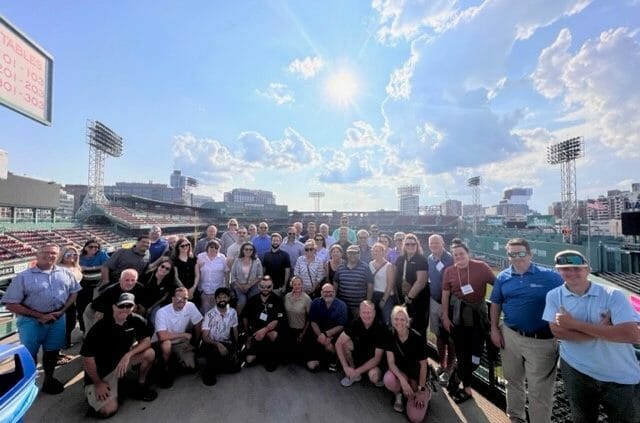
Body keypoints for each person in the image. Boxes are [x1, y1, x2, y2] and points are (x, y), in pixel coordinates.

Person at [542, 250, 640, 423]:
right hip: (576, 370)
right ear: (558, 271)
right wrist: (603, 332)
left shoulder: (613, 295)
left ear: (588, 269)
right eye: (565, 269)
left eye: (577, 268)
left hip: (619, 373)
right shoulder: (554, 296)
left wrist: (573, 324)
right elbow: (558, 332)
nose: (571, 272)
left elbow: (631, 334)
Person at [489, 238, 563, 423]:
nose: (517, 257)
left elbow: (571, 293)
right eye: (512, 254)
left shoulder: (550, 277)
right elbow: (496, 303)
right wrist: (494, 329)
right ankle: (516, 417)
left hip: (542, 340)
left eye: (521, 253)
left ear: (530, 254)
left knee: (540, 390)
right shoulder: (503, 277)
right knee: (512, 380)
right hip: (510, 335)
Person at [2, 243, 81, 394]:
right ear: (37, 255)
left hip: (57, 319)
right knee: (28, 354)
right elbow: (11, 304)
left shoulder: (66, 273)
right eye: (45, 252)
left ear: (58, 256)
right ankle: (26, 384)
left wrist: (62, 311)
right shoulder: (23, 277)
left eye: (53, 253)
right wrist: (40, 316)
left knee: (52, 351)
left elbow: (74, 292)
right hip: (31, 321)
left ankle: (48, 379)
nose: (50, 255)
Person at [81, 293, 157, 417]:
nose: (125, 309)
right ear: (113, 307)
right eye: (121, 306)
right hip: (102, 374)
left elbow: (146, 341)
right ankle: (98, 393)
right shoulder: (99, 327)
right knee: (107, 411)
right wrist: (98, 383)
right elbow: (87, 359)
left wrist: (128, 355)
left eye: (129, 306)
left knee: (150, 353)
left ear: (134, 307)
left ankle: (140, 384)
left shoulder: (136, 320)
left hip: (121, 364)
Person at [442, 240, 495, 403]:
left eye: (461, 253)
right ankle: (467, 388)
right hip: (458, 319)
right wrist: (445, 317)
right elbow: (445, 295)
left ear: (468, 253)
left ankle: (455, 378)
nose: (459, 257)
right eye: (455, 255)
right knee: (462, 355)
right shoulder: (450, 271)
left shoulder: (481, 267)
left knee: (475, 359)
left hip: (478, 319)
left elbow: (497, 286)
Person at [383, 306, 430, 423]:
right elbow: (391, 363)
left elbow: (424, 366)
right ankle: (399, 394)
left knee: (415, 418)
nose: (399, 322)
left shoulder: (418, 338)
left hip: (417, 377)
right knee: (388, 379)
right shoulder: (389, 334)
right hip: (402, 373)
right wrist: (403, 381)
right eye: (396, 319)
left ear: (407, 321)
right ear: (392, 320)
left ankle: (426, 393)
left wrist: (421, 390)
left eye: (402, 319)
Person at [153, 287, 203, 388]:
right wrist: (183, 335)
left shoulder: (190, 306)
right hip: (162, 342)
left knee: (192, 366)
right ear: (172, 299)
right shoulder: (162, 312)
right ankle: (164, 369)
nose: (182, 300)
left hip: (180, 342)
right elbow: (162, 336)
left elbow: (198, 323)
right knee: (167, 345)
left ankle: (174, 362)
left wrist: (194, 343)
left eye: (185, 298)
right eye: (179, 297)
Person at [426, 234, 455, 386]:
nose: (434, 245)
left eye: (436, 242)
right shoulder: (430, 258)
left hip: (449, 304)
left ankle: (450, 368)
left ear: (443, 242)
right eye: (431, 243)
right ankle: (441, 364)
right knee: (438, 335)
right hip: (434, 301)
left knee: (450, 337)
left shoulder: (450, 258)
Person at [335, 300, 385, 387]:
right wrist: (345, 367)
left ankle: (357, 374)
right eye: (363, 312)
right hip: (358, 358)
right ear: (360, 313)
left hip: (373, 363)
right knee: (345, 343)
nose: (366, 315)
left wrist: (357, 372)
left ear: (374, 313)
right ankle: (354, 373)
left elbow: (377, 359)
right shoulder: (355, 323)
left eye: (369, 312)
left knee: (374, 376)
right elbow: (338, 343)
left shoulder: (381, 328)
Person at [242, 276, 286, 371]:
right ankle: (261, 355)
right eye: (262, 286)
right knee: (248, 360)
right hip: (256, 331)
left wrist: (265, 330)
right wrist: (247, 333)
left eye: (268, 286)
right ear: (259, 286)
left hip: (271, 330)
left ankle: (271, 357)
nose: (265, 289)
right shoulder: (252, 300)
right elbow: (245, 316)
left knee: (273, 335)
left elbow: (278, 320)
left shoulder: (277, 300)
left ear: (272, 286)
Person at [85, 268, 147, 335]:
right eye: (127, 280)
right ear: (120, 280)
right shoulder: (110, 291)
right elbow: (97, 308)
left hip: (127, 311)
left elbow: (144, 305)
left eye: (133, 280)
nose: (130, 283)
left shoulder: (140, 288)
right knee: (98, 317)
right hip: (102, 310)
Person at [200, 287, 240, 386]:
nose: (222, 299)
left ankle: (217, 366)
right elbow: (205, 337)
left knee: (236, 368)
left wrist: (235, 348)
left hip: (225, 342)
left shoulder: (233, 312)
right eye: (219, 297)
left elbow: (235, 330)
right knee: (214, 356)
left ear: (228, 298)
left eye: (224, 297)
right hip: (211, 343)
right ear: (215, 299)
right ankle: (208, 372)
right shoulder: (209, 315)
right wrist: (218, 344)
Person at [307, 283, 348, 371]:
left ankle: (335, 360)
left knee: (329, 348)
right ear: (321, 292)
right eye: (325, 292)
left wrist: (326, 334)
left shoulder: (342, 305)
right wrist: (320, 335)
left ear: (334, 292)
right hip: (318, 335)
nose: (328, 294)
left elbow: (341, 325)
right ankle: (324, 362)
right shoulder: (315, 303)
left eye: (330, 291)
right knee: (311, 366)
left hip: (335, 336)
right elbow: (313, 322)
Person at [394, 233, 429, 335]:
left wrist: (409, 297)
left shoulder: (421, 259)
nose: (410, 246)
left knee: (418, 327)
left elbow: (421, 282)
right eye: (407, 244)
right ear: (404, 245)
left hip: (417, 300)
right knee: (403, 326)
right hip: (402, 298)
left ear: (417, 245)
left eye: (413, 244)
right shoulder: (400, 259)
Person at [78, 239, 110, 334]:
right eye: (91, 246)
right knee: (82, 308)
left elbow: (107, 264)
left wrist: (90, 268)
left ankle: (96, 330)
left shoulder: (102, 254)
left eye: (96, 247)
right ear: (85, 248)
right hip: (83, 285)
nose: (94, 248)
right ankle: (84, 330)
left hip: (98, 284)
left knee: (96, 308)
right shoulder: (80, 257)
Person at [335, 245, 373, 318]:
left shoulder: (365, 267)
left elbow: (370, 285)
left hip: (358, 307)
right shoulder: (340, 267)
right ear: (346, 254)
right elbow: (335, 284)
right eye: (350, 253)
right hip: (343, 306)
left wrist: (367, 304)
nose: (352, 255)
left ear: (359, 254)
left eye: (355, 253)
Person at [141, 257, 183, 323]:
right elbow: (139, 293)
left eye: (167, 269)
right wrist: (141, 306)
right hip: (141, 304)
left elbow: (163, 298)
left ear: (169, 272)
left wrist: (151, 308)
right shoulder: (147, 277)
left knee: (156, 318)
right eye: (162, 266)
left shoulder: (169, 283)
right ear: (158, 266)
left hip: (155, 306)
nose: (164, 269)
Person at [57, 246, 83, 352]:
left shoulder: (76, 267)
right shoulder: (58, 267)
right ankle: (62, 345)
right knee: (64, 324)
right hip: (63, 299)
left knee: (71, 322)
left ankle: (66, 343)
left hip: (75, 299)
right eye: (69, 254)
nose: (72, 256)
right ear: (62, 256)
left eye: (75, 254)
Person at [230, 242, 263, 315]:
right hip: (239, 286)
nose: (248, 251)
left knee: (252, 301)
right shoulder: (237, 260)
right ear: (242, 250)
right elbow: (233, 275)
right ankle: (237, 319)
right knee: (242, 301)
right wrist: (240, 286)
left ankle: (251, 318)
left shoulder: (257, 261)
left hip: (253, 286)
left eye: (251, 249)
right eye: (246, 249)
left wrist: (249, 285)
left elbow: (260, 275)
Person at [283, 276, 312, 363]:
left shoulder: (307, 299)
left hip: (300, 330)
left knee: (299, 358)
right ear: (292, 285)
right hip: (288, 329)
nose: (297, 286)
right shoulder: (287, 296)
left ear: (302, 285)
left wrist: (303, 333)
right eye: (295, 284)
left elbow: (310, 318)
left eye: (299, 284)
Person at [196, 240, 228, 314]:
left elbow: (226, 272)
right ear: (207, 247)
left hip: (218, 290)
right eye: (212, 247)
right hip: (204, 290)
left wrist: (226, 287)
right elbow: (197, 272)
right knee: (206, 311)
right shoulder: (200, 256)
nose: (214, 249)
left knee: (216, 312)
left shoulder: (222, 257)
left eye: (216, 248)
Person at [370, 242, 395, 327]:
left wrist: (384, 300)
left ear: (383, 252)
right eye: (374, 251)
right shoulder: (370, 264)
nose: (375, 253)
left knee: (386, 320)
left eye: (377, 251)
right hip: (374, 295)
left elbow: (390, 284)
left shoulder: (388, 266)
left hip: (386, 296)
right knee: (374, 320)